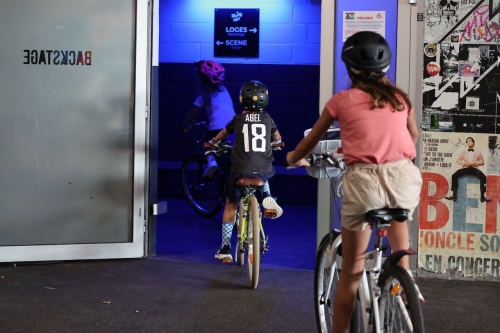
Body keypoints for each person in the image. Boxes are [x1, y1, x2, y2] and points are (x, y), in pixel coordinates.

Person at [285, 31, 424, 332]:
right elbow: (411, 137)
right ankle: (404, 278)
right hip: (404, 178)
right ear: (386, 67)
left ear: (349, 69)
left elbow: (312, 141)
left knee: (352, 271)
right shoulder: (400, 98)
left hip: (365, 184)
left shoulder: (342, 100)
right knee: (399, 226)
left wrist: (294, 158)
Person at [208, 80, 283, 262]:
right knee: (264, 173)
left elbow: (223, 134)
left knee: (231, 203)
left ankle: (225, 248)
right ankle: (267, 197)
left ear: (241, 100)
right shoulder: (267, 119)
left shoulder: (238, 119)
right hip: (262, 170)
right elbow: (277, 137)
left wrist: (213, 143)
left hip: (239, 171)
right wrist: (277, 143)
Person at [181, 60, 236, 178]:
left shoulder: (204, 94)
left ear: (203, 78)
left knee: (205, 142)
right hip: (234, 128)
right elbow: (221, 112)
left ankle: (211, 162)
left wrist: (185, 126)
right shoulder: (224, 90)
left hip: (217, 130)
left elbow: (193, 113)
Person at [445, 136, 491, 202]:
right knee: (454, 175)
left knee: (483, 177)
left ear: (473, 143)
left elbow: (482, 162)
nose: (468, 142)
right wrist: (464, 163)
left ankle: (482, 197)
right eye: (467, 142)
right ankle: (454, 195)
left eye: (470, 141)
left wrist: (474, 163)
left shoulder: (478, 152)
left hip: (474, 168)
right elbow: (458, 160)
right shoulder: (463, 151)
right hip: (465, 168)